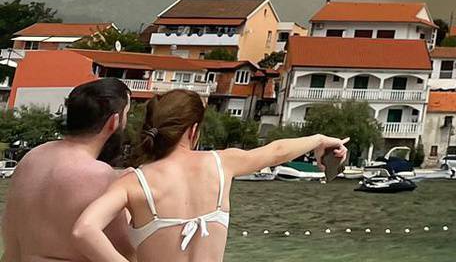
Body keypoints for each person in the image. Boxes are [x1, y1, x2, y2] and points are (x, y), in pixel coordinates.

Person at [68, 90, 345, 262]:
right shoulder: (222, 164)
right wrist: (320, 139)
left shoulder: (134, 183)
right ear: (193, 130)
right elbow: (276, 151)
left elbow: (83, 230)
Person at [1, 77, 135, 262]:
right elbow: (124, 249)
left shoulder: (33, 156)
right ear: (114, 121)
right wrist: (128, 199)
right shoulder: (99, 175)